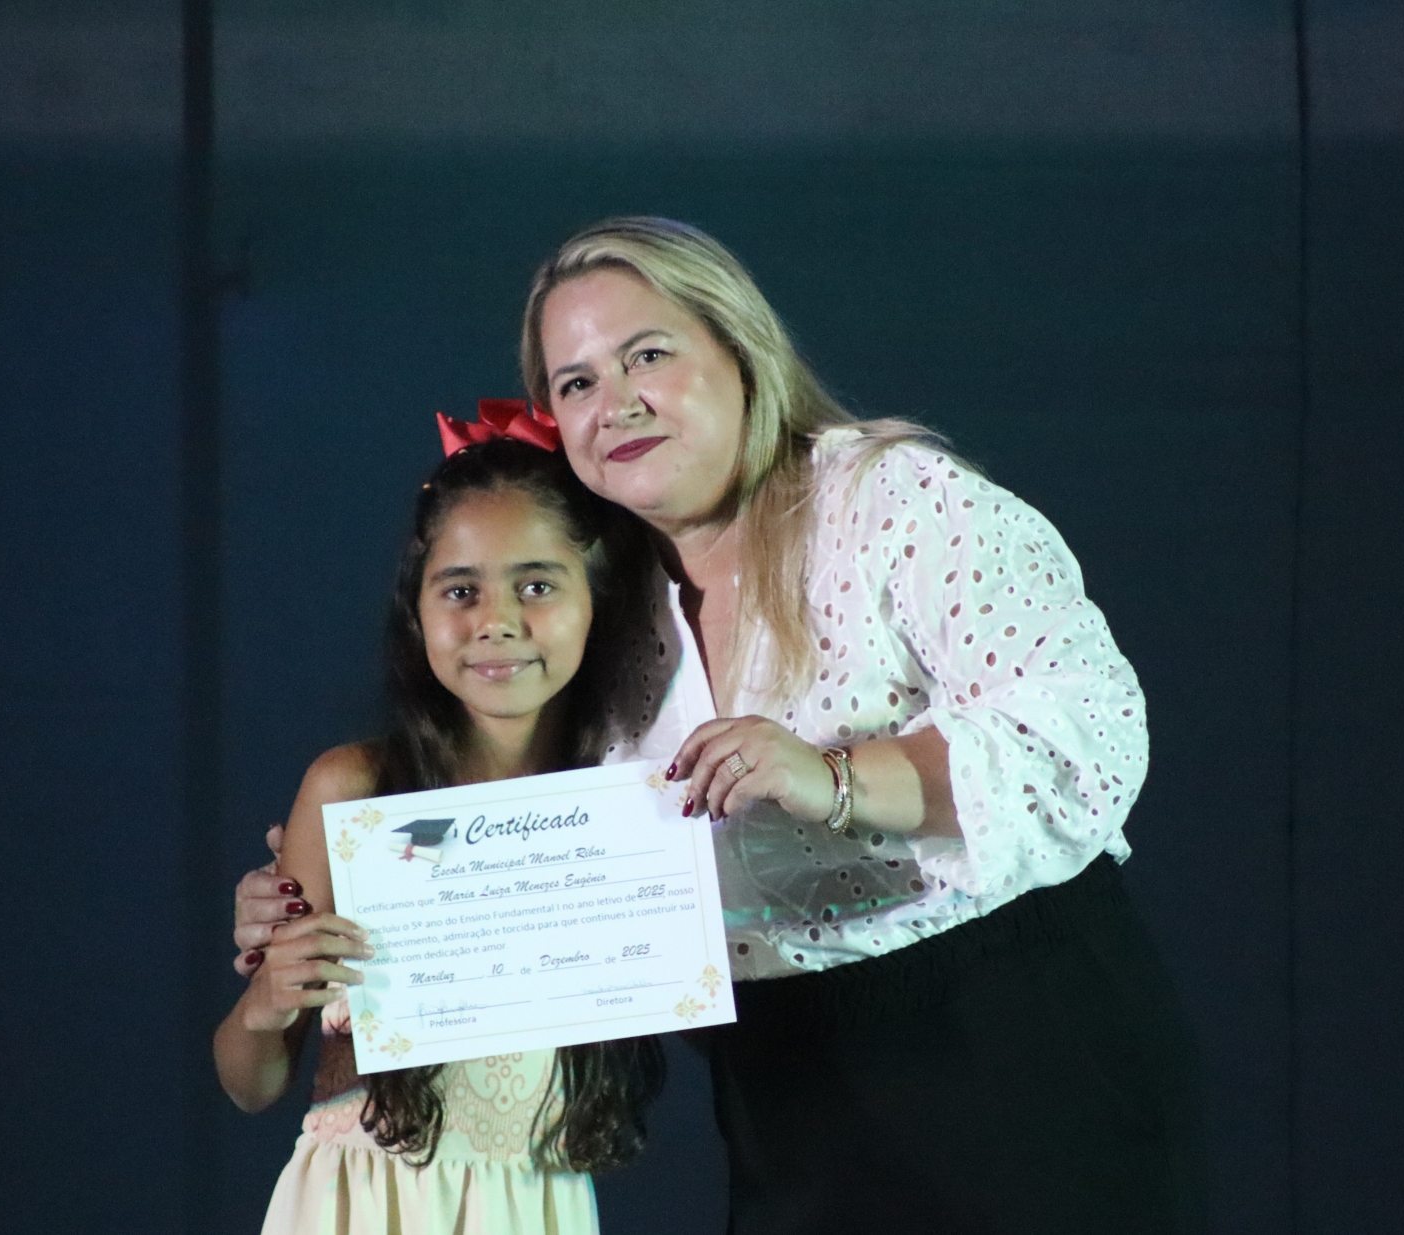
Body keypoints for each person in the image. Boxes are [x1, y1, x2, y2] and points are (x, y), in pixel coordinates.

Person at [239, 220, 1205, 1233]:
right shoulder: (598, 592)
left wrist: (836, 778)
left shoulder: (888, 499)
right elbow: (515, 813)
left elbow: (1087, 736)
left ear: (740, 348)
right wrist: (318, 891)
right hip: (782, 1087)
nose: (616, 402)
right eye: (576, 382)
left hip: (1013, 1038)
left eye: (647, 355)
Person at [214, 421, 665, 1235]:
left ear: (597, 598)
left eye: (537, 585)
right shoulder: (354, 790)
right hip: (368, 1202)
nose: (496, 621)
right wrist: (266, 1002)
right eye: (460, 590)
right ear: (415, 612)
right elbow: (250, 1082)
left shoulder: (635, 806)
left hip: (537, 1203)